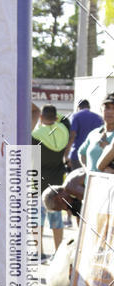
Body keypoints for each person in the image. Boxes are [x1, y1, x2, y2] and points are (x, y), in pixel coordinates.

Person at [32, 104, 69, 260]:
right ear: (55, 118)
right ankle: (58, 253)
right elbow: (64, 119)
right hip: (57, 183)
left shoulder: (35, 135)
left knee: (37, 219)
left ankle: (39, 253)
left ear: (41, 117)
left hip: (37, 182)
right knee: (56, 219)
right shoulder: (63, 130)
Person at [79, 93, 114, 173]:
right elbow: (81, 152)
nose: (110, 112)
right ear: (101, 110)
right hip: (91, 183)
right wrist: (86, 170)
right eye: (107, 107)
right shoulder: (94, 133)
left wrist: (107, 148)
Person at [66, 99, 103, 170]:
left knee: (75, 179)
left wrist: (66, 156)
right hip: (94, 157)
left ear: (78, 107)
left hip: (76, 156)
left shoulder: (75, 116)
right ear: (89, 107)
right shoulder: (99, 118)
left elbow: (72, 136)